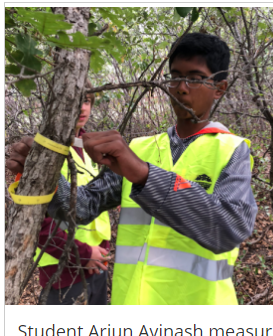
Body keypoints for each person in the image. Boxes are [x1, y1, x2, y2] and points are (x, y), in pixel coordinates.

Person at [9, 33, 257, 305]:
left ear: (219, 88)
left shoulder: (231, 150)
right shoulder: (141, 148)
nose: (181, 88)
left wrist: (144, 175)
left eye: (195, 78)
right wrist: (43, 174)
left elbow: (229, 227)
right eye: (175, 77)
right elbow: (83, 207)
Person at [8, 81, 111, 305]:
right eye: (75, 100)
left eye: (86, 100)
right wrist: (84, 255)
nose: (82, 108)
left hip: (98, 265)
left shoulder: (89, 146)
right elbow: (36, 222)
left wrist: (101, 251)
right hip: (63, 272)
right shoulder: (43, 151)